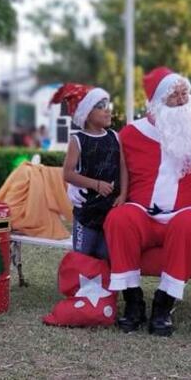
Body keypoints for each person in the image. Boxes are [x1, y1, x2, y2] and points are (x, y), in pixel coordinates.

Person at [103, 67, 191, 337]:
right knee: (119, 219)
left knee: (187, 224)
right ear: (159, 102)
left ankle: (164, 303)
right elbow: (111, 170)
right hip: (144, 213)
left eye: (185, 92)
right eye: (174, 95)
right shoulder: (131, 134)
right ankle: (133, 301)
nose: (183, 99)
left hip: (190, 212)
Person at [51, 83, 127, 260]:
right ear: (86, 113)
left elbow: (123, 165)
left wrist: (123, 194)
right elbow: (68, 174)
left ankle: (103, 287)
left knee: (105, 254)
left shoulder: (114, 137)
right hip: (87, 209)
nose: (107, 111)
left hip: (111, 208)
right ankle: (80, 286)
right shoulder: (77, 140)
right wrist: (96, 184)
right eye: (100, 107)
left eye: (107, 106)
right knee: (83, 253)